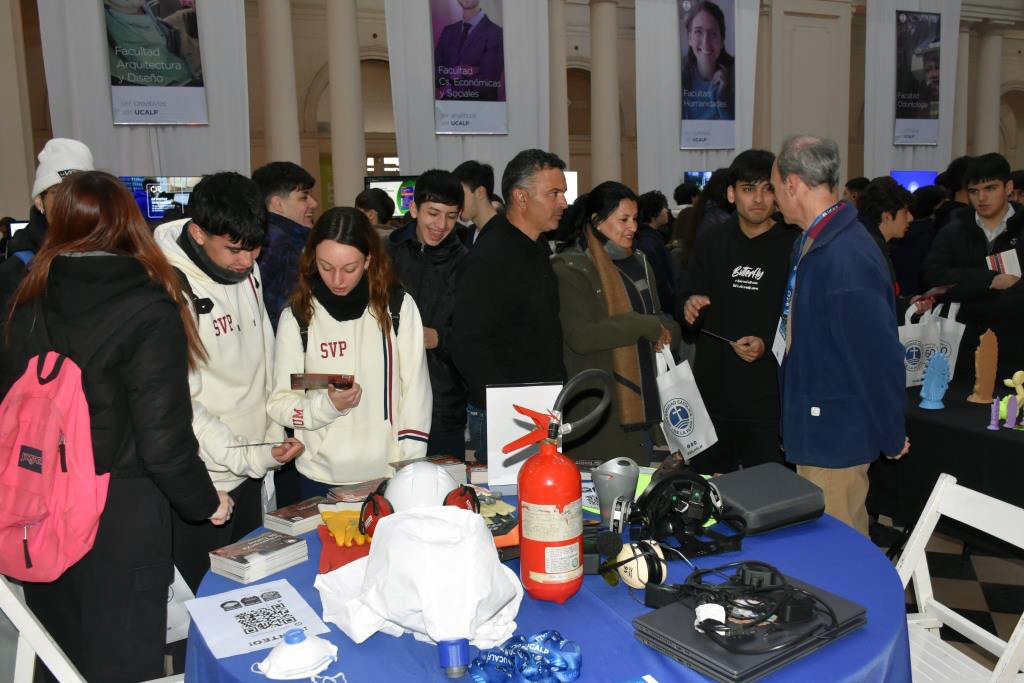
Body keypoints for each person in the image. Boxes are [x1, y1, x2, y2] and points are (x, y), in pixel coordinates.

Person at [0, 171, 229, 682]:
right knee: (123, 662)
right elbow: (163, 441)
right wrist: (208, 502)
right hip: (119, 516)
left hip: (41, 506)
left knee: (58, 655)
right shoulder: (149, 306)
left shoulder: (27, 300)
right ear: (131, 225)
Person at [154, 172, 303, 592]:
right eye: (234, 250)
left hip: (253, 465)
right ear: (198, 233)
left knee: (254, 595)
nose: (246, 261)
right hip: (206, 478)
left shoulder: (246, 269)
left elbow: (262, 357)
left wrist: (271, 436)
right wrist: (242, 456)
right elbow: (174, 400)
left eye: (254, 249)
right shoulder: (166, 286)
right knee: (206, 602)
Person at [771, 135, 907, 535]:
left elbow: (877, 357)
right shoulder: (812, 239)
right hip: (815, 422)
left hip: (835, 435)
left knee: (838, 558)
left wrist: (891, 430)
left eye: (776, 187)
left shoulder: (845, 256)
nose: (776, 197)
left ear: (794, 184)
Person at [268, 208, 431, 494]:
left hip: (388, 471)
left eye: (349, 268)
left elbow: (416, 391)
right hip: (319, 474)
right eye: (326, 266)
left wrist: (410, 463)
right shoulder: (298, 316)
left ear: (368, 260)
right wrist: (326, 406)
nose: (337, 280)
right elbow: (281, 402)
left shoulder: (397, 308)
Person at [682, 149, 797, 475]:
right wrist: (690, 306)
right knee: (709, 495)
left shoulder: (792, 244)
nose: (758, 199)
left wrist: (766, 345)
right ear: (732, 194)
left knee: (769, 498)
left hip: (768, 400)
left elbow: (801, 318)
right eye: (748, 189)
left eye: (767, 189)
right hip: (713, 396)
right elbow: (687, 298)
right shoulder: (712, 241)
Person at [451, 149, 569, 462]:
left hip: (540, 406)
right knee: (510, 505)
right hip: (508, 414)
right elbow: (466, 342)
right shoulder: (491, 255)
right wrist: (507, 403)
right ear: (521, 197)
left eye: (563, 193)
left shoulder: (536, 247)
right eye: (554, 193)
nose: (563, 203)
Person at [552, 182, 679, 465]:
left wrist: (668, 331)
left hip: (648, 403)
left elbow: (662, 319)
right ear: (597, 221)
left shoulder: (640, 261)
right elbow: (581, 337)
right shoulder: (570, 268)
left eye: (635, 219)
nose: (632, 227)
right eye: (623, 219)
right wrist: (643, 326)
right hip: (601, 407)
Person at [388, 170, 469, 459]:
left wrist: (440, 338)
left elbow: (478, 333)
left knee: (444, 492)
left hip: (443, 403)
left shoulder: (468, 264)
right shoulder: (387, 255)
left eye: (450, 216)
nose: (441, 225)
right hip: (388, 403)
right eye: (433, 213)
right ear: (413, 208)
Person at [923, 153, 1024, 378]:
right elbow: (934, 274)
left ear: (1008, 187)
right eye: (974, 191)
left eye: (990, 188)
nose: (982, 198)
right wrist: (989, 280)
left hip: (1016, 347)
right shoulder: (954, 231)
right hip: (963, 347)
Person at [0, 138, 94, 316]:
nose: (70, 203)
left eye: (79, 192)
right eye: (57, 193)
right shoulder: (15, 274)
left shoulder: (119, 257)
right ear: (39, 202)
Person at [253, 161, 319, 330]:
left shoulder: (265, 238)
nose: (314, 204)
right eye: (304, 197)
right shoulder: (280, 245)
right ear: (277, 204)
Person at [857, 176, 933, 319]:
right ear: (886, 216)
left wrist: (908, 303)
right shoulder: (871, 249)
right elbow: (872, 309)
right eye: (905, 212)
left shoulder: (865, 241)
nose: (910, 218)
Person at [434, 0, 504, 101]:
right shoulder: (448, 31)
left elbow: (487, 82)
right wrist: (454, 73)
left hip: (482, 110)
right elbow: (434, 75)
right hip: (447, 111)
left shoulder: (495, 32)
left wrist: (450, 87)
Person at [681, 1, 734, 121]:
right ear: (689, 38)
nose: (705, 42)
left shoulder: (736, 75)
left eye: (713, 34)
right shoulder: (679, 76)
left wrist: (722, 103)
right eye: (698, 32)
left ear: (722, 40)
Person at [635, 190, 678, 319]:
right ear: (654, 213)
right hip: (661, 311)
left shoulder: (651, 237)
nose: (667, 211)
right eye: (664, 207)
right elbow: (659, 281)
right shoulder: (648, 241)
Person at [453, 160, 498, 247]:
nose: (455, 201)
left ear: (480, 192)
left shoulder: (506, 233)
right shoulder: (468, 234)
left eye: (460, 194)